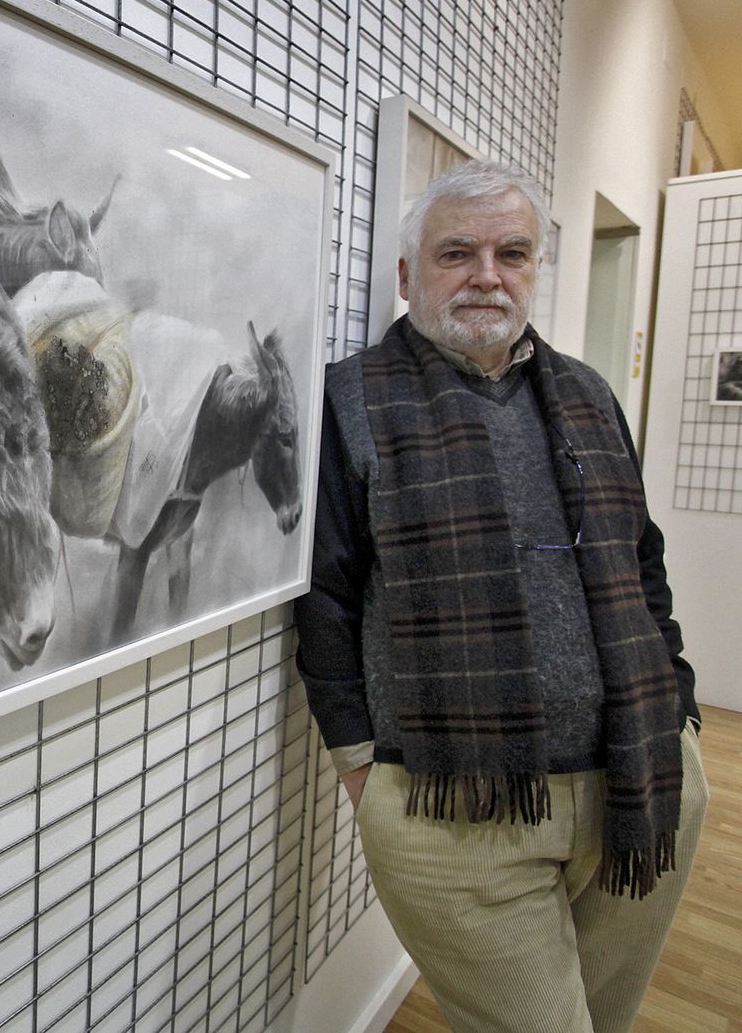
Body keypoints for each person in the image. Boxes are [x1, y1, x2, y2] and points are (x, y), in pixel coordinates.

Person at [294, 160, 708, 1033]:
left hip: (641, 779)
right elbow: (326, 600)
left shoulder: (589, 394)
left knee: (602, 1017)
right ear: (408, 275)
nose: (488, 274)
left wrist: (676, 706)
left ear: (533, 268)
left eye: (512, 252)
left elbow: (643, 560)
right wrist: (360, 766)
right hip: (455, 812)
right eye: (457, 253)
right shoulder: (351, 399)